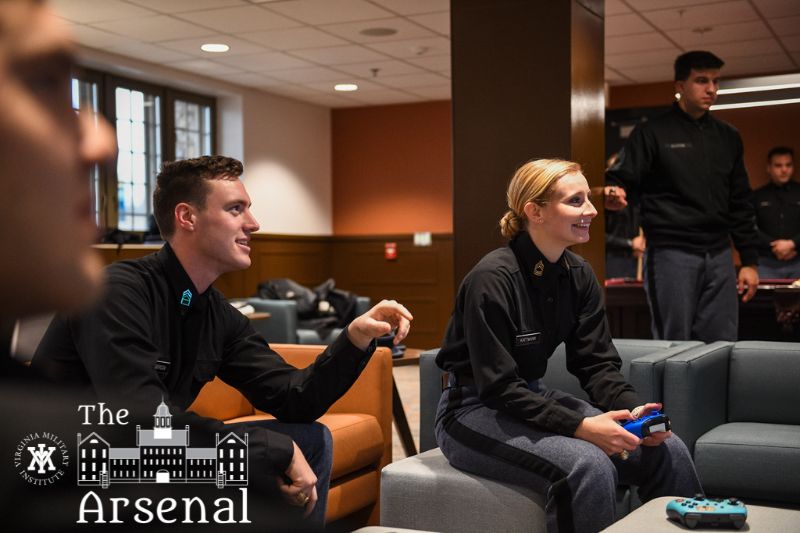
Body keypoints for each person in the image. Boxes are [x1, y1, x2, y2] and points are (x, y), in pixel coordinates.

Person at [32, 155, 413, 528]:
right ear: (187, 217)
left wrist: (354, 338)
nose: (254, 223)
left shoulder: (216, 312)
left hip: (145, 452)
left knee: (310, 438)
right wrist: (267, 448)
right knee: (258, 452)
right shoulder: (118, 291)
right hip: (75, 463)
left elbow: (295, 398)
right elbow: (143, 421)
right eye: (236, 209)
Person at [435, 159, 701, 533]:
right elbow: (498, 387)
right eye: (576, 201)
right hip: (470, 409)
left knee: (668, 450)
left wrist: (633, 410)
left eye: (588, 199)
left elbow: (595, 363)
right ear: (536, 211)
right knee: (588, 464)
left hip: (530, 396)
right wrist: (581, 426)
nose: (591, 210)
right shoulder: (492, 279)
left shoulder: (579, 274)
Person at [605, 50, 760, 342]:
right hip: (670, 254)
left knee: (722, 344)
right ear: (679, 86)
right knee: (673, 344)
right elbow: (618, 178)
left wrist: (750, 262)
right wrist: (612, 193)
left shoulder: (728, 136)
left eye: (716, 81)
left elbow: (740, 201)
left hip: (719, 255)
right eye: (702, 81)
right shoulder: (651, 132)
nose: (711, 89)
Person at [752, 146, 800, 280]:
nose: (784, 170)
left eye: (788, 165)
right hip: (766, 262)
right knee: (764, 299)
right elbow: (750, 227)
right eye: (778, 165)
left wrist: (792, 244)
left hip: (798, 260)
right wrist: (775, 246)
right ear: (769, 168)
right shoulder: (757, 196)